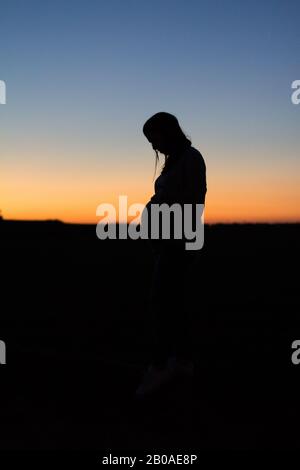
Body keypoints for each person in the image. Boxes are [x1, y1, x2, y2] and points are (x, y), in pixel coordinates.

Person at [135, 112, 207, 398]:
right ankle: (182, 361)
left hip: (177, 243)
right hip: (169, 242)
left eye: (155, 138)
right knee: (173, 302)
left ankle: (161, 365)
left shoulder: (190, 158)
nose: (154, 146)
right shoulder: (175, 161)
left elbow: (191, 201)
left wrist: (161, 224)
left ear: (169, 132)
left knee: (161, 302)